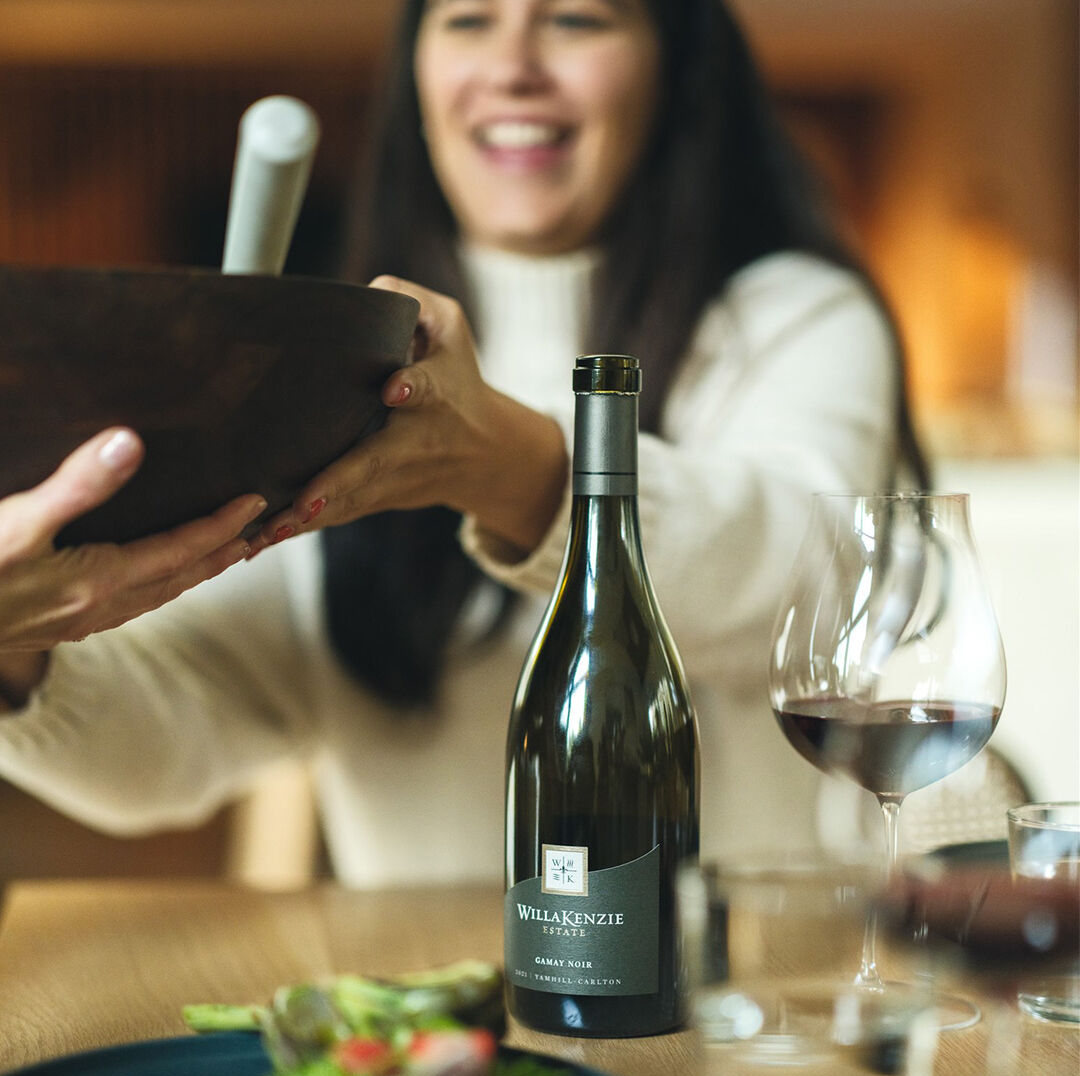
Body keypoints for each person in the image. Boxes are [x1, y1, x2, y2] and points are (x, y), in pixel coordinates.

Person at [0, 0, 928, 886]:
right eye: (467, 21)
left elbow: (806, 586)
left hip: (739, 1005)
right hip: (439, 1018)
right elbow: (167, 748)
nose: (511, 68)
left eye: (576, 19)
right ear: (417, 74)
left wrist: (508, 464)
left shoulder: (796, 320)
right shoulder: (336, 363)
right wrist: (16, 652)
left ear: (676, 69)